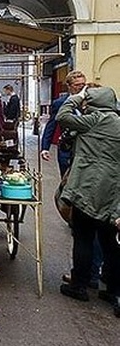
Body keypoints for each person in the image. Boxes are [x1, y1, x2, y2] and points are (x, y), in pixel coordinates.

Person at [56, 85, 120, 317]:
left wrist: (77, 97)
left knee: (83, 237)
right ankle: (112, 289)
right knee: (110, 243)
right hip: (113, 191)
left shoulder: (92, 120)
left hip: (86, 187)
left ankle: (79, 285)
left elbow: (62, 116)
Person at [41, 71, 87, 177]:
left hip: (85, 148)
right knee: (66, 180)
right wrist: (45, 147)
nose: (80, 88)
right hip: (67, 148)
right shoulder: (60, 103)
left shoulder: (90, 100)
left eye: (83, 85)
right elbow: (51, 125)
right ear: (69, 86)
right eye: (77, 85)